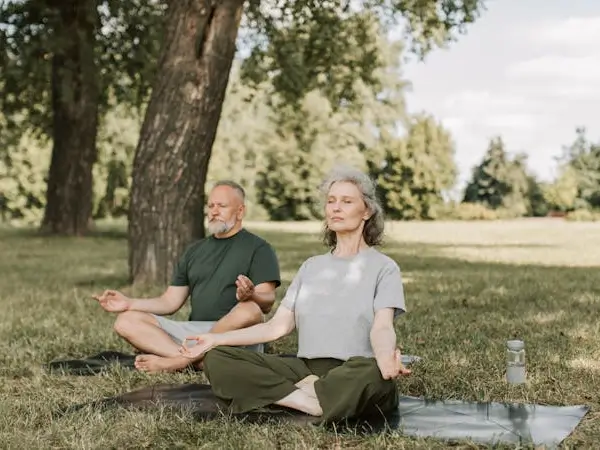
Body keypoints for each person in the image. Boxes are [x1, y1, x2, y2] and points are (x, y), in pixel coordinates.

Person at [179, 166, 411, 423]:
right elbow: (276, 327)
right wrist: (215, 340)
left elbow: (382, 327)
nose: (335, 208)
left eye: (347, 201)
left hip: (353, 369)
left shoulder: (384, 267)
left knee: (375, 375)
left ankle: (289, 394)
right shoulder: (311, 267)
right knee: (219, 358)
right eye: (331, 201)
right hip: (305, 369)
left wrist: (385, 357)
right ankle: (307, 401)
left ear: (366, 210)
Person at [93, 180, 281, 373]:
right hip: (195, 334)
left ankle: (177, 362)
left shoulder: (259, 248)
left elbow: (266, 303)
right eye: (210, 206)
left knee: (250, 309)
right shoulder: (195, 251)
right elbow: (169, 302)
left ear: (240, 211)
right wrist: (129, 303)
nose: (214, 211)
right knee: (125, 321)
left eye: (222, 206)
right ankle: (196, 361)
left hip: (235, 334)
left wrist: (252, 295)